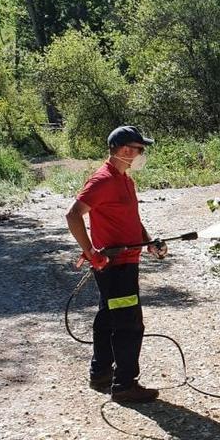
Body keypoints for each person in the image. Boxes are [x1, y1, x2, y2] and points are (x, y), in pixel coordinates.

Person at [65, 125, 167, 403]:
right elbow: (73, 216)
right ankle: (124, 385)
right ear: (124, 150)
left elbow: (131, 220)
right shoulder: (102, 180)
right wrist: (91, 252)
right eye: (138, 149)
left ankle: (100, 373)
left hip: (126, 263)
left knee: (108, 317)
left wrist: (148, 241)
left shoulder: (125, 180)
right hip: (116, 268)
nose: (140, 154)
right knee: (129, 323)